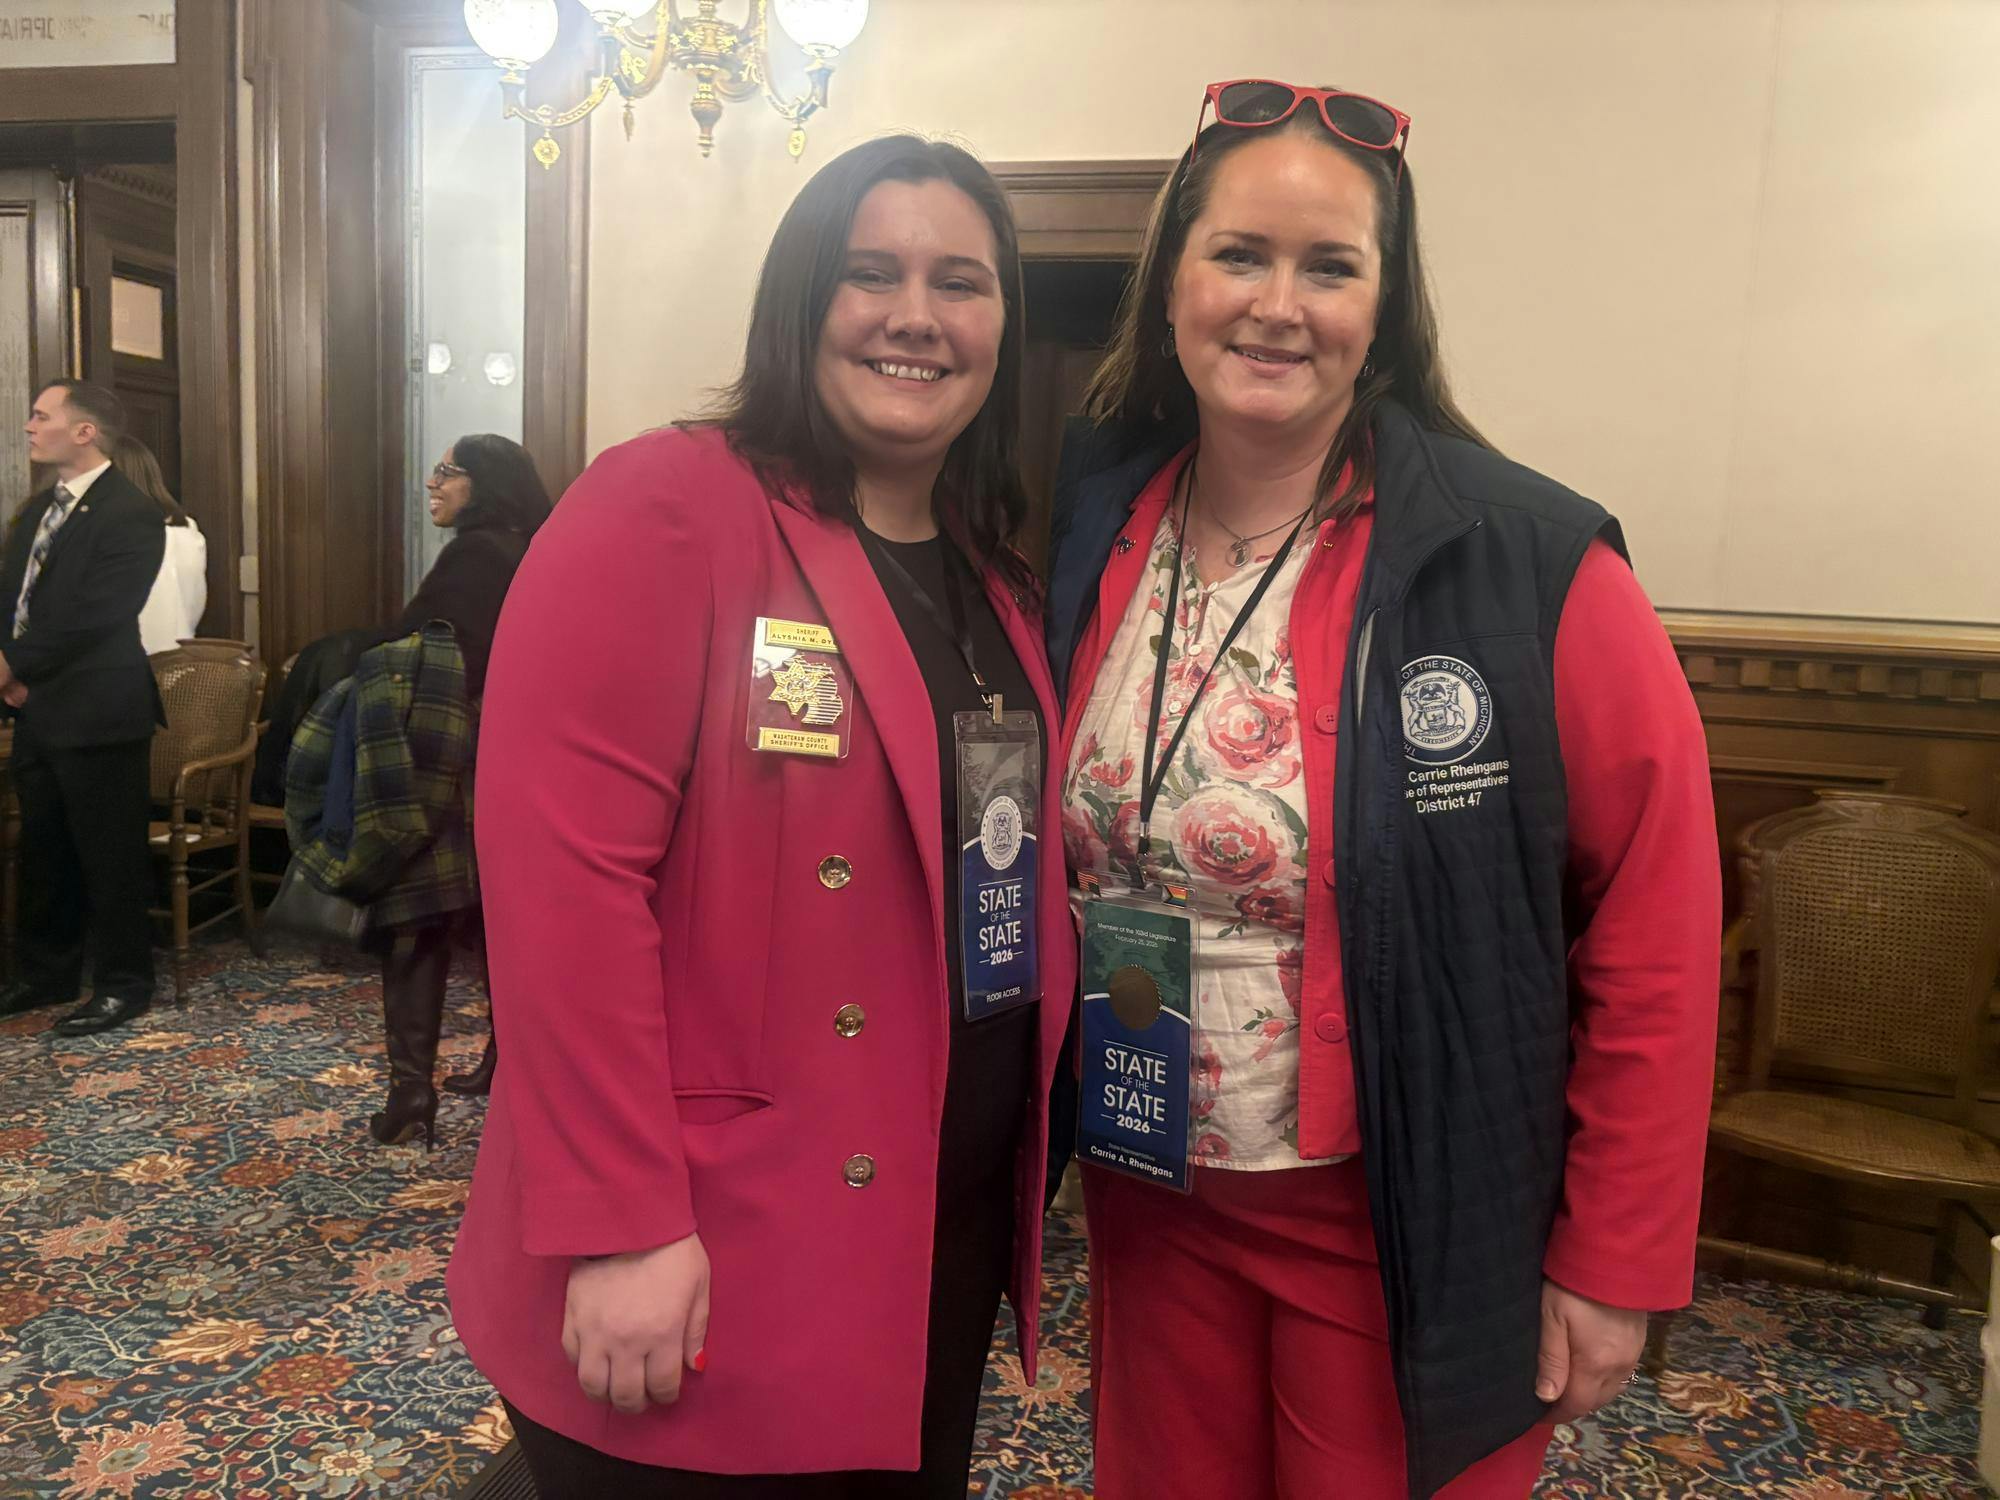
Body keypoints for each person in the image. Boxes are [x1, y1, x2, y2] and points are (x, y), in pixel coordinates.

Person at [1045, 81, 1721, 1498]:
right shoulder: (1091, 521)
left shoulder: (1523, 560)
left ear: (1385, 307)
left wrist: (1617, 1252)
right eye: (1239, 254)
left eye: (1329, 267)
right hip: (1148, 1187)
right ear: (1170, 280)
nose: (1276, 305)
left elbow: (1653, 924)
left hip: (1401, 1214)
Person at [447, 135, 1076, 1499]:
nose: (916, 315)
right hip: (715, 1224)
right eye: (870, 273)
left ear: (1002, 326)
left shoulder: (993, 578)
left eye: (960, 282)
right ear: (800, 301)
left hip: (932, 1214)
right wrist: (620, 1222)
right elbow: (564, 887)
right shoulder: (669, 505)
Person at [368, 434, 551, 1143]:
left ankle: (411, 1092)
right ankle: (505, 1064)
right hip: (516, 761)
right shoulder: (535, 548)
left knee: (417, 921)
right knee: (504, 923)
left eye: (448, 471)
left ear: (485, 484)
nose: (432, 481)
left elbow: (416, 653)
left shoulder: (475, 555)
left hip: (450, 762)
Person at [0, 380, 166, 1036]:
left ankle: (125, 984)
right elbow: (13, 595)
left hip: (100, 710)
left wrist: (15, 665)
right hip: (36, 707)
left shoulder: (131, 511)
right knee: (44, 849)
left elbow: (98, 613)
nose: (29, 426)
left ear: (85, 431)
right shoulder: (38, 510)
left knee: (110, 855)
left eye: (42, 416)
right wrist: (8, 667)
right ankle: (47, 973)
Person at [110, 434, 207, 655]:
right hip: (179, 656)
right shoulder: (186, 530)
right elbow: (193, 603)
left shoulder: (118, 534)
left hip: (128, 661)